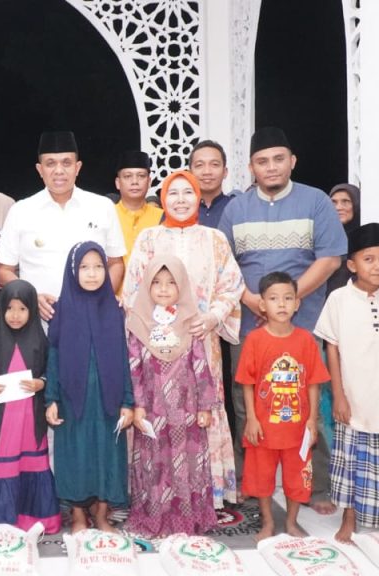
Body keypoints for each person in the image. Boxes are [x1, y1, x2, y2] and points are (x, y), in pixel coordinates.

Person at [219, 127, 347, 513]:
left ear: (292, 161)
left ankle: (317, 486)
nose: (271, 167)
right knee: (247, 405)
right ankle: (250, 481)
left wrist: (286, 302)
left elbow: (330, 259)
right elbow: (224, 264)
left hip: (301, 326)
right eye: (262, 161)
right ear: (251, 167)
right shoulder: (236, 209)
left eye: (278, 159)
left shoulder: (315, 202)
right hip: (249, 325)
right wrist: (252, 300)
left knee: (307, 403)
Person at [122, 170, 242, 502]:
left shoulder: (215, 239)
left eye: (187, 192)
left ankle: (204, 493)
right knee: (158, 408)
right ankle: (157, 491)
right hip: (157, 344)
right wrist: (152, 330)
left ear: (197, 197)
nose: (180, 200)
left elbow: (232, 285)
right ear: (163, 198)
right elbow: (133, 290)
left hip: (201, 337)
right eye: (172, 193)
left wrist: (212, 316)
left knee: (200, 408)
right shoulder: (148, 238)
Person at [314, 223, 379, 543]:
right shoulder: (339, 300)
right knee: (351, 462)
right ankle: (350, 517)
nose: (378, 266)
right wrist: (339, 395)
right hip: (356, 397)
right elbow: (332, 347)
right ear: (352, 265)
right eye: (369, 259)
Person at [125, 255, 225, 537]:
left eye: (171, 282)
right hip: (152, 408)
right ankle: (154, 517)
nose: (164, 288)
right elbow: (133, 366)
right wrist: (138, 405)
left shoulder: (190, 321)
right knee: (154, 462)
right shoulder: (138, 321)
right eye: (156, 282)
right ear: (147, 284)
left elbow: (200, 363)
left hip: (186, 408)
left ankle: (186, 519)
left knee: (185, 461)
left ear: (181, 285)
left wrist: (205, 406)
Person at [45, 241, 134, 533]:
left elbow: (123, 358)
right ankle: (78, 516)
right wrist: (51, 398)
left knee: (107, 456)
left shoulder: (114, 310)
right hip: (73, 401)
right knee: (76, 455)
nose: (93, 273)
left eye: (98, 267)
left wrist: (127, 401)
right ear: (73, 271)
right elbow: (53, 356)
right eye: (84, 267)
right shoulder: (61, 310)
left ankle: (102, 515)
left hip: (108, 401)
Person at [0, 131, 127, 320]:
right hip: (37, 321)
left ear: (77, 167)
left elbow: (116, 263)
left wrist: (100, 300)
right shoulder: (21, 211)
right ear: (40, 169)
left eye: (66, 163)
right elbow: (3, 270)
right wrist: (30, 297)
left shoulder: (102, 207)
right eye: (50, 163)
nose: (59, 170)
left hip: (91, 319)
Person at [237, 271, 328, 542]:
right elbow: (247, 383)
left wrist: (311, 420)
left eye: (288, 298)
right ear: (262, 304)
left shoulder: (305, 340)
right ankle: (267, 523)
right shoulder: (254, 340)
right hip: (263, 429)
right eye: (274, 298)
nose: (281, 304)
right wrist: (252, 419)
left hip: (297, 430)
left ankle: (291, 522)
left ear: (297, 304)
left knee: (298, 479)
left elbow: (313, 383)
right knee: (262, 478)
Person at [0, 280, 60, 538]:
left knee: (31, 464)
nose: (15, 315)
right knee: (2, 466)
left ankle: (33, 519)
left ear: (32, 310)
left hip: (30, 419)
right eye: (9, 308)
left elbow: (52, 373)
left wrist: (41, 383)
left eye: (22, 309)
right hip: (3, 422)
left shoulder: (40, 340)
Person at [113, 151, 162, 267]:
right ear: (118, 183)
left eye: (141, 176)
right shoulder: (107, 216)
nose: (134, 182)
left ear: (149, 182)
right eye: (127, 176)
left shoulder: (163, 217)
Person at [188, 140, 237, 228]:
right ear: (190, 174)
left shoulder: (237, 207)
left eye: (214, 164)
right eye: (199, 165)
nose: (207, 172)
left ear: (225, 172)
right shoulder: (179, 209)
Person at [325, 183, 361, 294]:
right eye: (333, 202)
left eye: (345, 202)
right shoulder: (323, 236)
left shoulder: (365, 237)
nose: (339, 207)